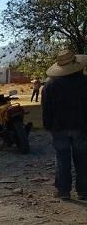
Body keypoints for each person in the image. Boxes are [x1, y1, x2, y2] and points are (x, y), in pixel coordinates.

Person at [42, 50, 87, 200]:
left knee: (62, 158)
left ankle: (63, 191)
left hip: (59, 127)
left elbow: (46, 109)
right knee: (82, 158)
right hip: (81, 126)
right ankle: (83, 190)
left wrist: (48, 125)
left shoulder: (50, 85)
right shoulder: (85, 82)